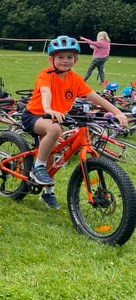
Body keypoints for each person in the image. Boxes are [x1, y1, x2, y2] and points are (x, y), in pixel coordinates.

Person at [21, 35, 128, 209]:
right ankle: (38, 168)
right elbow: (46, 92)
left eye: (69, 57)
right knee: (55, 131)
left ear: (76, 59)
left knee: (52, 152)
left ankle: (48, 193)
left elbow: (95, 97)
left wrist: (117, 112)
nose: (65, 61)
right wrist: (48, 109)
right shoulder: (45, 75)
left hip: (55, 117)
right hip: (34, 115)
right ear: (51, 59)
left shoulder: (75, 79)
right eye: (60, 57)